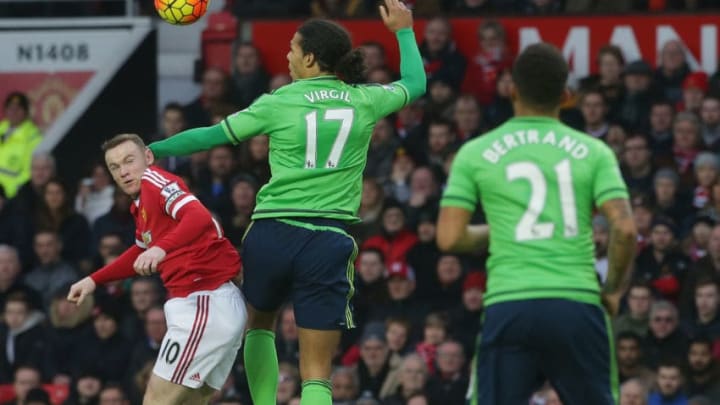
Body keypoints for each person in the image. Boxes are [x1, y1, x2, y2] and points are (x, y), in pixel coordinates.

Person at [146, 1, 425, 405]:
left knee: (260, 327)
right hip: (328, 238)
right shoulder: (365, 100)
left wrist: (152, 149)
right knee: (316, 373)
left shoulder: (277, 102)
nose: (288, 55)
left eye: (294, 48)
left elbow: (209, 137)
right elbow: (416, 83)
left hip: (272, 232)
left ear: (310, 58)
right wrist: (403, 30)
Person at [436, 43, 637, 405]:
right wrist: (613, 288)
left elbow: (449, 238)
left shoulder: (475, 152)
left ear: (512, 88)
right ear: (567, 96)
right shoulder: (594, 151)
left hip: (509, 304)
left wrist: (502, 231)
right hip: (576, 302)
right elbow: (624, 228)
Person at [66, 134, 247, 405]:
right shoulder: (140, 205)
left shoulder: (155, 181)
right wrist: (94, 279)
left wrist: (161, 249)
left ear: (148, 158)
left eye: (129, 161)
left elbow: (197, 216)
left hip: (204, 302)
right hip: (206, 305)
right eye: (115, 167)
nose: (123, 171)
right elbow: (140, 250)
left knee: (155, 400)